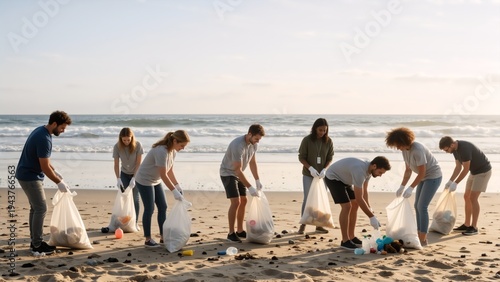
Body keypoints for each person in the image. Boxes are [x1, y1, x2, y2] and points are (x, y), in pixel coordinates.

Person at [15, 111, 72, 255]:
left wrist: (56, 171)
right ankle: (37, 245)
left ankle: (35, 242)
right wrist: (59, 182)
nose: (63, 131)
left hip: (26, 174)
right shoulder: (44, 138)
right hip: (30, 177)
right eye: (62, 127)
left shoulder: (41, 131)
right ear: (54, 124)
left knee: (35, 208)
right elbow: (44, 167)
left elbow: (45, 160)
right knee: (41, 208)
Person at [385, 127, 442, 246]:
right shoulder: (404, 150)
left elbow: (422, 172)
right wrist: (402, 186)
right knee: (417, 205)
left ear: (404, 141)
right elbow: (408, 170)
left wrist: (411, 188)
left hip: (433, 176)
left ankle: (423, 239)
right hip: (422, 177)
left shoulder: (418, 150)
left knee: (422, 206)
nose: (398, 148)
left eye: (398, 145)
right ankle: (418, 233)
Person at [134, 130, 189, 247]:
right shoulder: (161, 151)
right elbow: (163, 174)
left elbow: (169, 171)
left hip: (155, 180)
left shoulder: (173, 152)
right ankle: (148, 239)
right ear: (175, 141)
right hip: (144, 180)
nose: (183, 148)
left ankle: (163, 237)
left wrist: (177, 186)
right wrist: (174, 191)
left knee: (163, 207)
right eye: (182, 145)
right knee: (149, 208)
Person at [324, 156, 390, 249]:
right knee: (347, 206)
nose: (380, 175)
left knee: (355, 204)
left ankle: (351, 237)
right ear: (374, 166)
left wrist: (369, 208)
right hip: (333, 177)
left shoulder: (369, 171)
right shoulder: (360, 171)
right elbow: (359, 198)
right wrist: (371, 217)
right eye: (380, 172)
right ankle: (345, 241)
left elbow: (364, 191)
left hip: (345, 179)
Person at [220, 124, 265, 242]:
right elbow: (237, 169)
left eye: (259, 139)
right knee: (236, 202)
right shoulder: (237, 145)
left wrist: (257, 180)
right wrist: (250, 187)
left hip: (239, 174)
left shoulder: (254, 145)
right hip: (228, 173)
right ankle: (231, 233)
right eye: (256, 138)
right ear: (249, 134)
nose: (257, 141)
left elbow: (252, 163)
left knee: (244, 201)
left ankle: (240, 230)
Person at [439, 136, 492, 236]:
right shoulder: (454, 150)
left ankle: (474, 227)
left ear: (452, 144)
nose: (447, 152)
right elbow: (458, 167)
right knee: (466, 196)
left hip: (483, 172)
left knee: (473, 198)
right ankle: (467, 224)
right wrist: (450, 181)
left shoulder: (465, 148)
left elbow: (465, 169)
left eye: (447, 150)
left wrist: (456, 183)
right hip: (474, 172)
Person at [297, 118, 334, 234]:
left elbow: (330, 158)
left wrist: (324, 169)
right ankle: (303, 224)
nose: (322, 132)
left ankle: (319, 224)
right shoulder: (307, 140)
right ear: (315, 128)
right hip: (309, 174)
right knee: (308, 198)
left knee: (320, 199)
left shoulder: (328, 141)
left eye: (324, 130)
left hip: (321, 175)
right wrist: (310, 168)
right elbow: (301, 157)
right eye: (320, 130)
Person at [113, 128, 144, 230]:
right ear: (121, 138)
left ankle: (134, 222)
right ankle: (125, 221)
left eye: (128, 140)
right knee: (124, 197)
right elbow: (116, 164)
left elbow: (139, 163)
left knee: (135, 198)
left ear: (132, 138)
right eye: (124, 140)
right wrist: (118, 178)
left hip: (137, 174)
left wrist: (134, 178)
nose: (126, 142)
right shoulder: (117, 147)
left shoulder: (138, 145)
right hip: (124, 174)